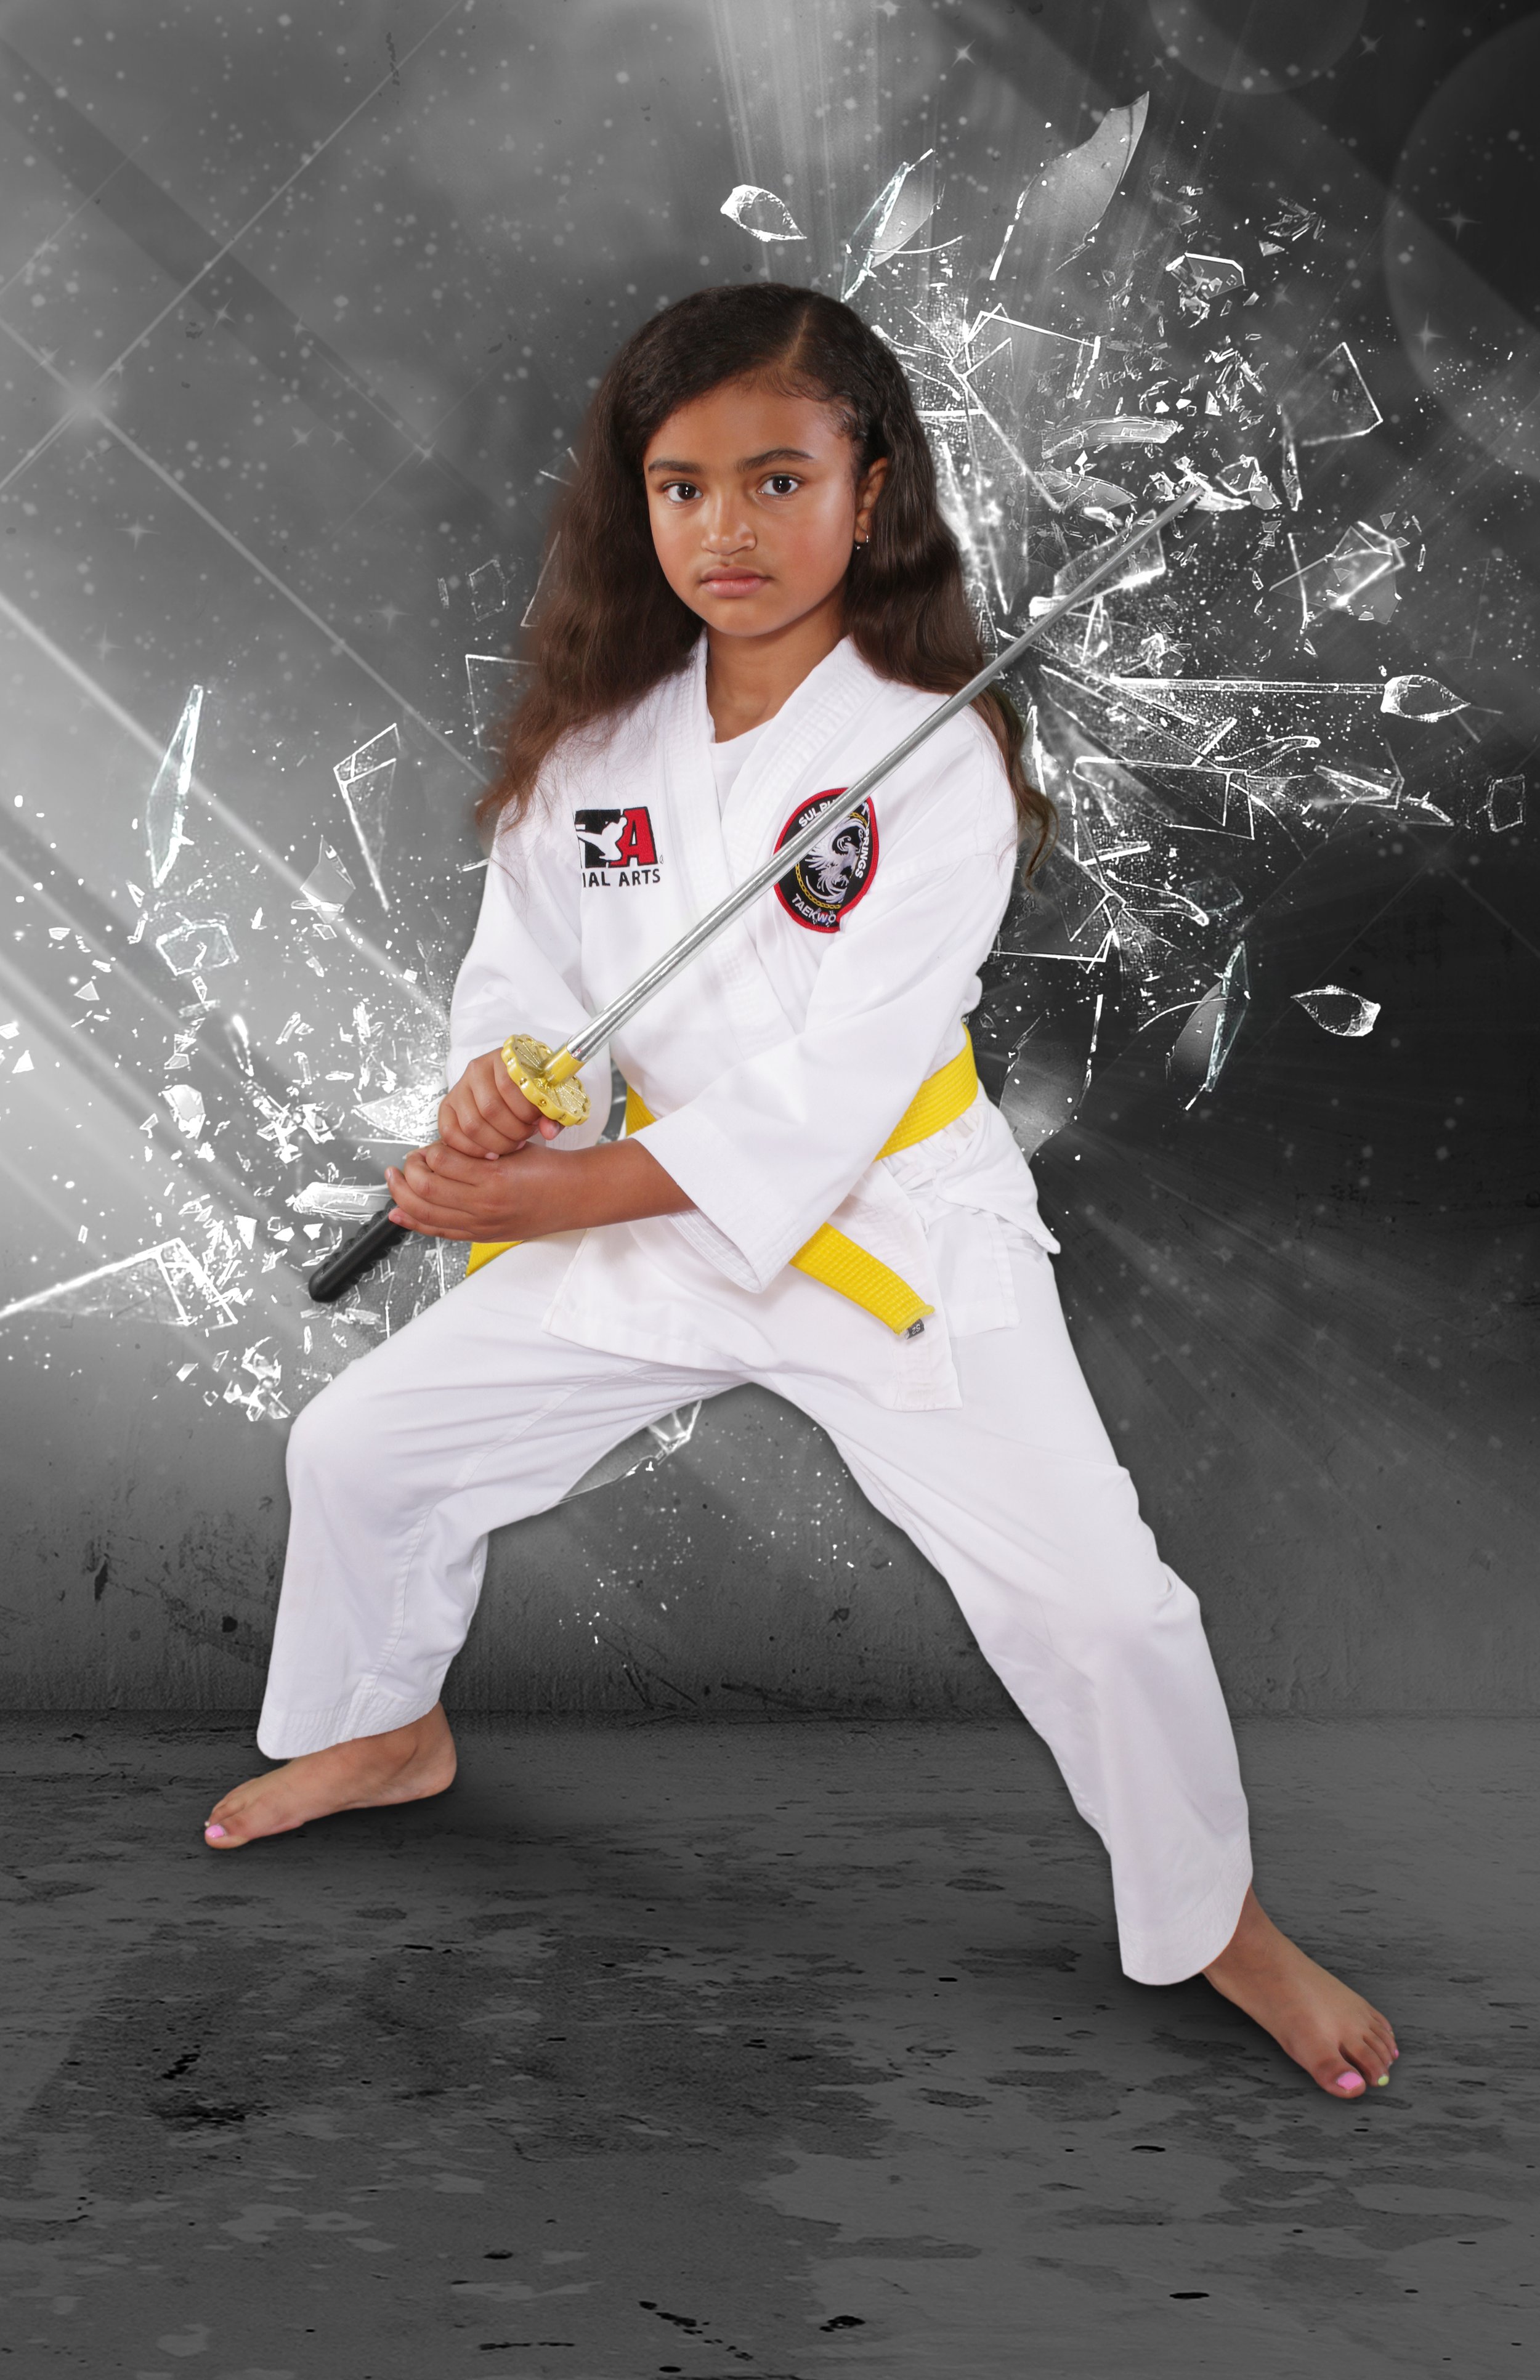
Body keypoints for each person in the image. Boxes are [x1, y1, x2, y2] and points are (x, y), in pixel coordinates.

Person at [205, 285, 1397, 2103]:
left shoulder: (937, 761)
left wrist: (543, 1198)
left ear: (872, 489)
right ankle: (385, 1732)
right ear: (638, 505)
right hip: (641, 1215)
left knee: (1099, 1609)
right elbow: (525, 968)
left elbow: (838, 1088)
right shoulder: (597, 753)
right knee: (362, 1450)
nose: (725, 530)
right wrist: (496, 1091)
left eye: (776, 479)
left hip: (892, 1230)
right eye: (680, 487)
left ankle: (1217, 1924)